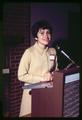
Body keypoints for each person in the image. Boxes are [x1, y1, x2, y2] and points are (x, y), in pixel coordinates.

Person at [18, 20, 59, 117]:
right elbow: (21, 75)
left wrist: (53, 74)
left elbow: (56, 69)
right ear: (36, 36)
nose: (46, 35)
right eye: (42, 33)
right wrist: (41, 78)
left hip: (48, 92)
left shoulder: (53, 51)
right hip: (32, 94)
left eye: (48, 32)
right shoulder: (29, 52)